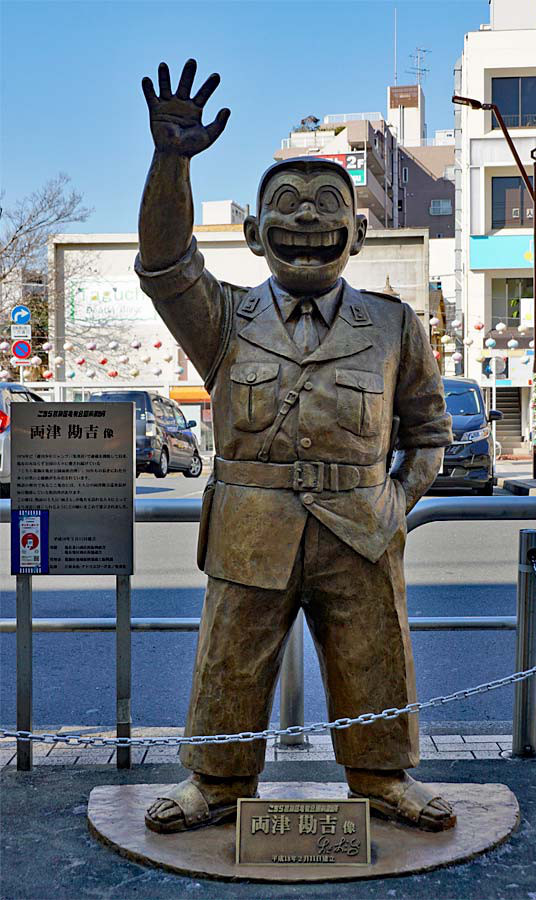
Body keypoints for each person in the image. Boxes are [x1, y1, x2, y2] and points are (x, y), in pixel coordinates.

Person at [135, 59, 454, 835]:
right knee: (230, 660)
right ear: (252, 233)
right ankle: (214, 780)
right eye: (285, 206)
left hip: (360, 530)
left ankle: (381, 778)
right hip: (251, 526)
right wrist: (171, 163)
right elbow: (166, 265)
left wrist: (392, 504)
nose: (306, 220)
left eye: (325, 207)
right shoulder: (226, 321)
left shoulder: (392, 326)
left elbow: (429, 435)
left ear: (359, 229)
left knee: (373, 657)